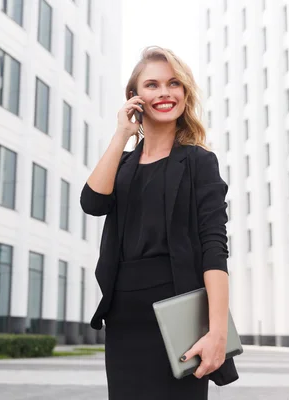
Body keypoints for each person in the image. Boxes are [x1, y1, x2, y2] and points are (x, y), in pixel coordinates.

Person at [80, 46, 238, 399]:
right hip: (124, 319)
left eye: (174, 83)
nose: (165, 93)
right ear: (134, 98)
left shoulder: (199, 162)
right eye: (152, 85)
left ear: (185, 93)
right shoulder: (121, 165)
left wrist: (217, 332)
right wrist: (122, 134)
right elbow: (92, 203)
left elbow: (215, 249)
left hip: (181, 318)